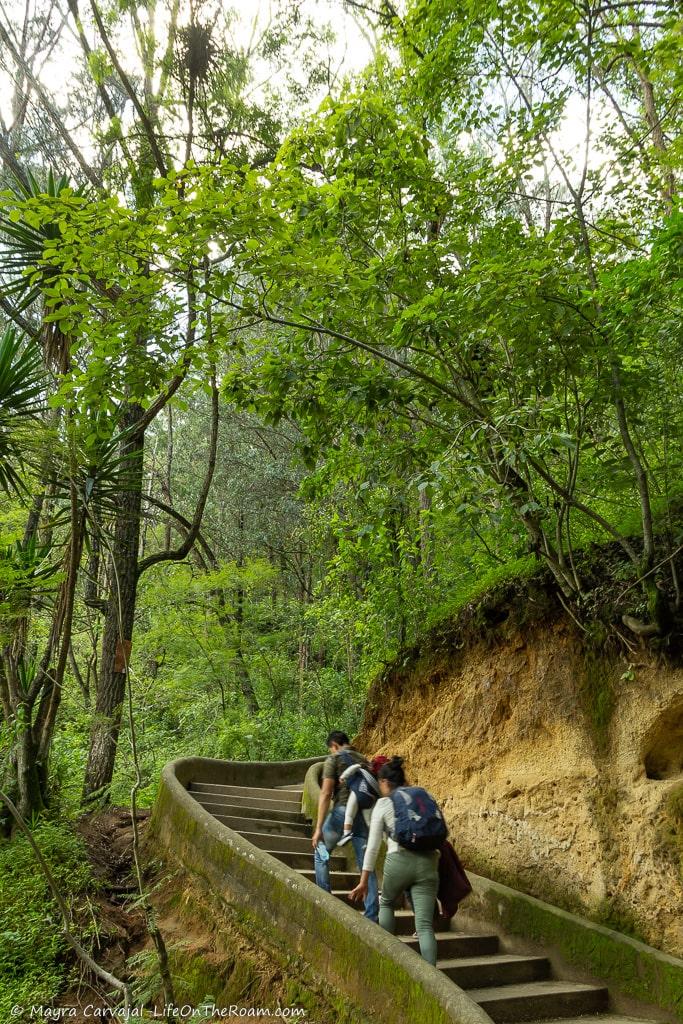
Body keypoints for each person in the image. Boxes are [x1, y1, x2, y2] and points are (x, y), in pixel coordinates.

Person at [348, 756, 441, 965]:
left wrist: (363, 881)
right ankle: (433, 978)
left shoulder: (383, 803)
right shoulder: (423, 795)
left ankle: (387, 960)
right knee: (424, 925)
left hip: (399, 860)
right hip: (429, 862)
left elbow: (372, 848)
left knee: (387, 902)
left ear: (383, 782)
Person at [311, 730, 379, 922]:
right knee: (366, 864)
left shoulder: (334, 759)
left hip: (341, 813)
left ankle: (325, 901)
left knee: (320, 851)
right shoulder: (364, 759)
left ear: (334, 745)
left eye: (330, 749)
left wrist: (318, 829)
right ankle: (372, 915)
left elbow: (325, 794)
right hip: (363, 816)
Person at [337, 754, 389, 847]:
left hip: (358, 791)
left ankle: (346, 833)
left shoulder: (363, 767)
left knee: (349, 814)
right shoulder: (380, 781)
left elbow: (353, 768)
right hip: (371, 799)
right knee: (370, 822)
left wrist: (343, 776)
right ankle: (379, 841)